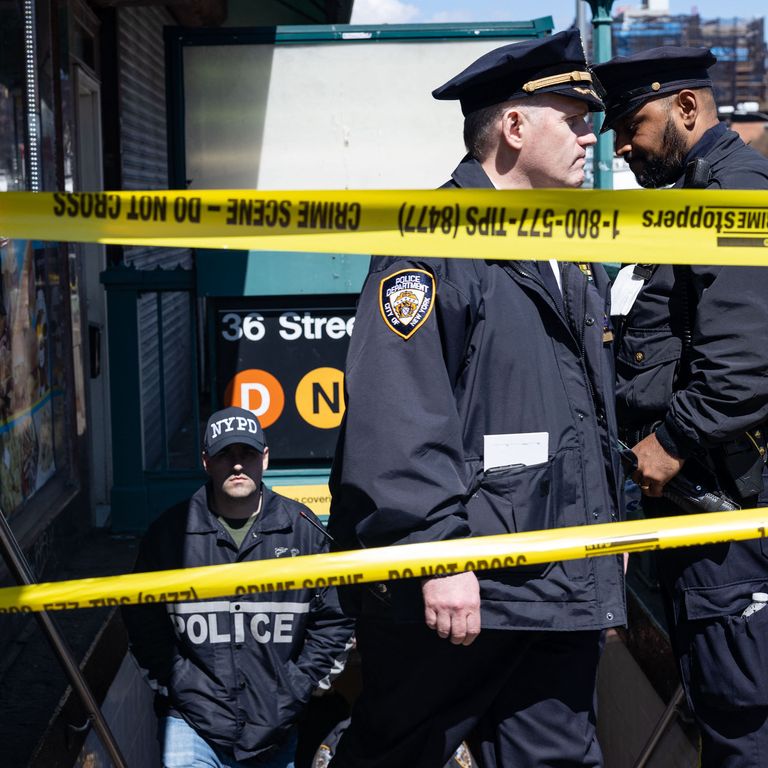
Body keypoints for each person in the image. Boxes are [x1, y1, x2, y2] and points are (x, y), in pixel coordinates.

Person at [328, 30, 626, 768]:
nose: (594, 136)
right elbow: (397, 412)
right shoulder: (431, 241)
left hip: (554, 580)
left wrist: (606, 534)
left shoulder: (566, 246)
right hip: (464, 590)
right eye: (574, 117)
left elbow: (583, 414)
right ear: (516, 127)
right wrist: (438, 555)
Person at [593, 47, 768, 767]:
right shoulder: (689, 197)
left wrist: (670, 441)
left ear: (688, 109)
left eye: (632, 125)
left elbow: (747, 358)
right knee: (720, 707)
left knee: (743, 719)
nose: (622, 146)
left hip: (726, 508)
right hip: (702, 515)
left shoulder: (732, 189)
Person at [123, 406, 354, 768]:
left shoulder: (303, 530)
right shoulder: (169, 534)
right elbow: (142, 619)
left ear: (264, 458)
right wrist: (181, 684)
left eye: (246, 453)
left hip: (276, 726)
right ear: (206, 461)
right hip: (191, 722)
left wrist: (297, 685)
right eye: (224, 454)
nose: (236, 464)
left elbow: (336, 617)